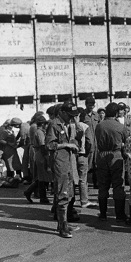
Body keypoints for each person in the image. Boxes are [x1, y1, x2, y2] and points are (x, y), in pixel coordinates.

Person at [45, 100, 82, 238]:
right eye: (70, 115)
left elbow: (73, 139)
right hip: (59, 162)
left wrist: (74, 141)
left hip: (68, 161)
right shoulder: (54, 124)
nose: (72, 117)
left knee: (70, 192)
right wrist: (67, 145)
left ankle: (63, 222)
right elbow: (49, 145)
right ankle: (62, 226)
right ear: (62, 113)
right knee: (62, 193)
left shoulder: (69, 124)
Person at [94, 101, 128, 221]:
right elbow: (126, 139)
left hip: (102, 155)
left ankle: (103, 214)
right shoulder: (120, 126)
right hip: (116, 155)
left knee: (103, 186)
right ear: (116, 113)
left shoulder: (99, 125)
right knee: (118, 185)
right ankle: (120, 214)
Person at [23, 113, 51, 204]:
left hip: (39, 154)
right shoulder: (40, 132)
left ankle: (30, 192)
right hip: (41, 155)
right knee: (42, 177)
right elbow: (43, 146)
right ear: (42, 124)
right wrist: (47, 158)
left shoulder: (39, 131)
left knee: (41, 177)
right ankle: (42, 197)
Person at [74, 112, 97, 208]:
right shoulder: (84, 126)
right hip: (82, 154)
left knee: (73, 178)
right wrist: (87, 153)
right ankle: (84, 200)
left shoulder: (69, 126)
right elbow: (89, 142)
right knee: (83, 179)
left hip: (72, 155)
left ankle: (72, 200)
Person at [0, 118, 23, 185]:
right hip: (8, 149)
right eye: (10, 125)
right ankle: (10, 178)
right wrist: (9, 143)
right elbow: (1, 140)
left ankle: (19, 177)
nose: (12, 126)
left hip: (13, 149)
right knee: (10, 165)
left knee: (16, 163)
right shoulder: (4, 132)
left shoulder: (11, 131)